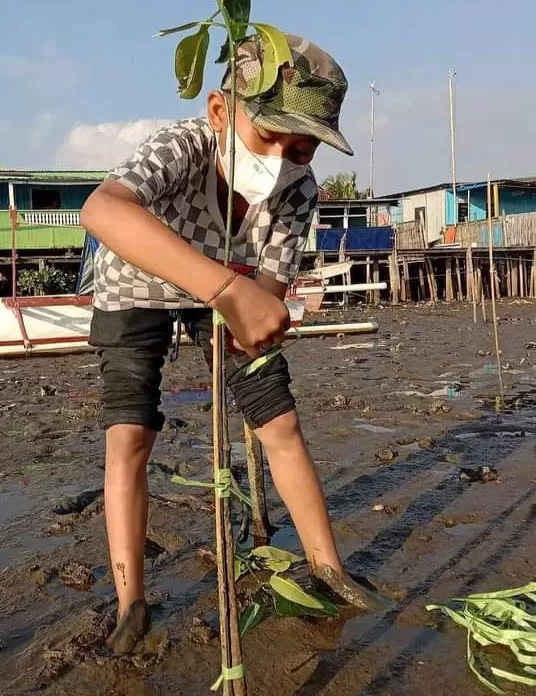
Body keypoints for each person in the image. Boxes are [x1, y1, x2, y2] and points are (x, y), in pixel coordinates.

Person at [81, 33, 373, 655]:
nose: (285, 158)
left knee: (279, 419)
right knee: (130, 433)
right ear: (220, 111)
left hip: (229, 288)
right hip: (134, 286)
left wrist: (256, 312)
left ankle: (328, 566)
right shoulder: (182, 148)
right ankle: (131, 599)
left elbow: (265, 293)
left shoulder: (297, 189)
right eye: (270, 138)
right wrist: (225, 291)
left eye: (303, 148)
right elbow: (103, 212)